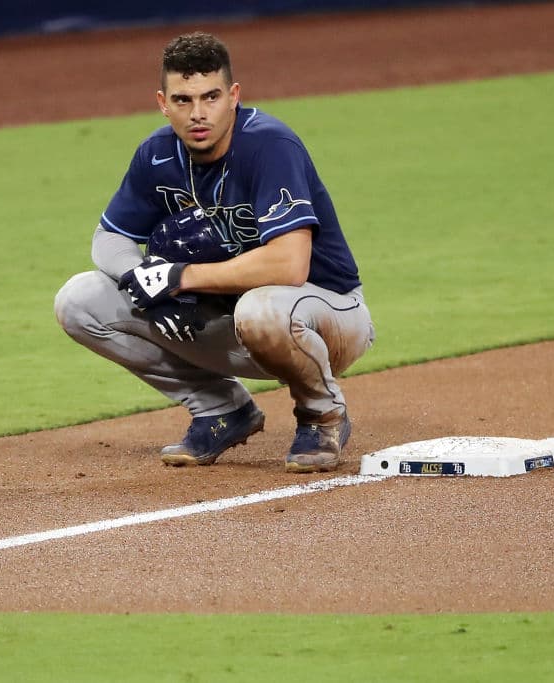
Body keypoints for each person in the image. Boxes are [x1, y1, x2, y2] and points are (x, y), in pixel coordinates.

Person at [54, 31, 374, 473]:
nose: (198, 113)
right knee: (79, 301)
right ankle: (221, 408)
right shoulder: (157, 155)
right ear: (163, 103)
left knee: (260, 309)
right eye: (183, 100)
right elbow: (108, 239)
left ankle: (322, 415)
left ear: (234, 96)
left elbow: (289, 263)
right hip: (227, 320)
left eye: (211, 96)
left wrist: (179, 277)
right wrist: (140, 276)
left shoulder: (268, 146)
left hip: (327, 314)